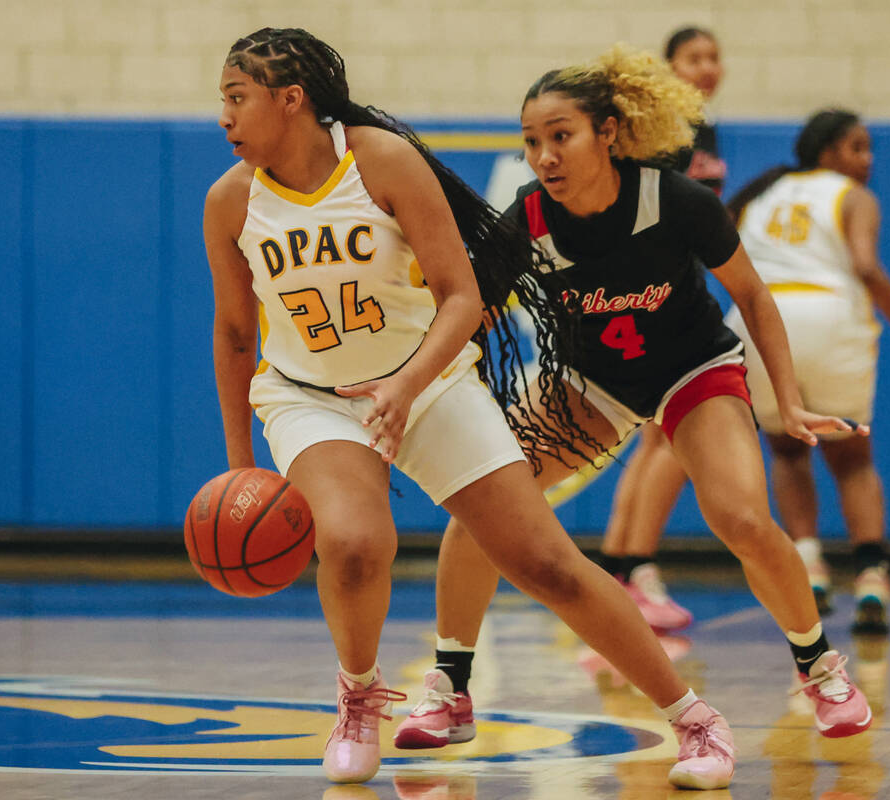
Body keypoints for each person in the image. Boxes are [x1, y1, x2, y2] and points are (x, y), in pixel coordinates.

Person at [205, 27, 737, 790]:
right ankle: (358, 699)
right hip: (310, 397)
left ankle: (694, 719)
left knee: (546, 564)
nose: (223, 117)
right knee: (355, 543)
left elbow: (462, 295)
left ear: (290, 101)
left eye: (235, 98)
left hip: (429, 380)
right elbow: (231, 334)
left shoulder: (381, 161)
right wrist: (238, 467)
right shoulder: (229, 202)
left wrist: (408, 386)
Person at [396, 44, 874, 761]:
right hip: (589, 382)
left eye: (561, 136)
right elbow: (469, 311)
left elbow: (752, 297)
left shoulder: (676, 201)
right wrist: (406, 381)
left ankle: (820, 668)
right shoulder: (526, 219)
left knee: (741, 517)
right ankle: (451, 686)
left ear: (608, 134)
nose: (544, 155)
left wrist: (794, 402)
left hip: (692, 370)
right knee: (484, 504)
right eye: (531, 142)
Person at [724, 109, 890, 632]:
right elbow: (865, 266)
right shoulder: (853, 196)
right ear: (827, 153)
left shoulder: (762, 193)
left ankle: (810, 567)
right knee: (854, 458)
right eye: (857, 148)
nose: (867, 160)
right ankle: (871, 577)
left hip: (760, 321)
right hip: (829, 314)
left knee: (789, 449)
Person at [598, 25, 728, 633]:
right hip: (646, 298)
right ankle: (638, 570)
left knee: (654, 441)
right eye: (692, 57)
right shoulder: (657, 136)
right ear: (667, 66)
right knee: (670, 440)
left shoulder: (706, 132)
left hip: (675, 294)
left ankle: (621, 575)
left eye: (713, 57)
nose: (706, 67)